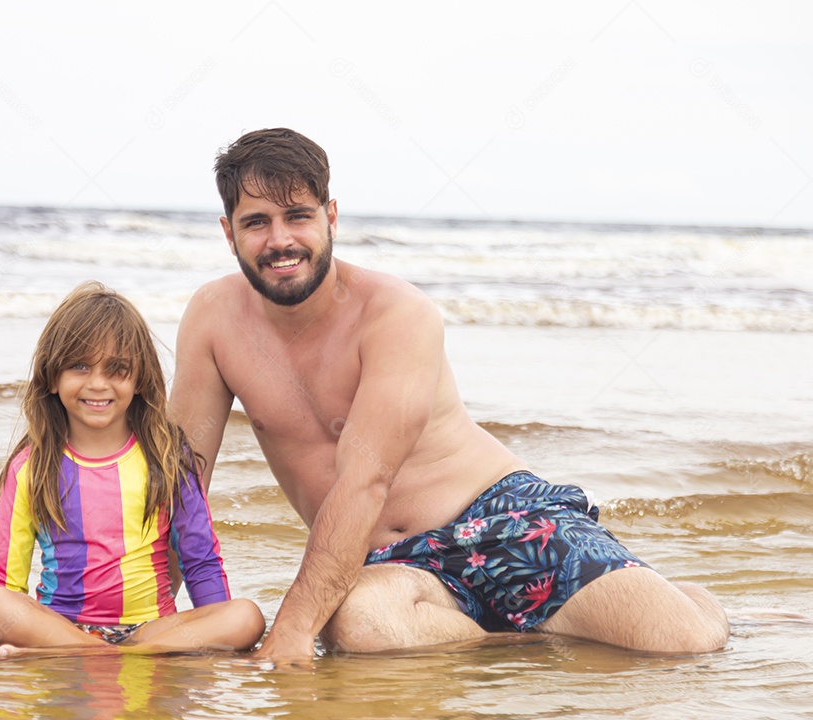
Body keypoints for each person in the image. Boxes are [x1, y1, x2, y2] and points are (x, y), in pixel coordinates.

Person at [169, 127, 730, 661]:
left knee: (678, 643)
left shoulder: (395, 313)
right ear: (228, 233)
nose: (280, 240)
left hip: (502, 518)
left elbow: (365, 480)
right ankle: (517, 637)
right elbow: (180, 483)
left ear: (331, 217)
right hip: (391, 565)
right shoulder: (215, 319)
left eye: (298, 216)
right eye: (257, 222)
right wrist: (146, 616)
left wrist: (291, 631)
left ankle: (681, 599)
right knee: (361, 627)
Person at [0, 281, 265, 659]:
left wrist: (221, 630)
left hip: (150, 631)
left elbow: (201, 564)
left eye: (116, 369)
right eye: (79, 366)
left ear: (140, 379)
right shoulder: (31, 467)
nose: (98, 384)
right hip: (63, 627)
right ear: (52, 376)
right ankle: (96, 652)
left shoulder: (167, 458)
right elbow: (5, 581)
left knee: (245, 616)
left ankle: (95, 655)